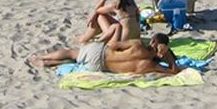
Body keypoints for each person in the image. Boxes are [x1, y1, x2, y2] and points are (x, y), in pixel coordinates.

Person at [28, 33, 179, 75]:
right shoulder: (149, 65)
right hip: (100, 67)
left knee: (72, 53)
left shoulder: (137, 44)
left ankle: (42, 58)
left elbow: (114, 45)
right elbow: (173, 70)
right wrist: (167, 56)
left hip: (101, 53)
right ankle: (49, 63)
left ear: (152, 41)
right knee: (76, 61)